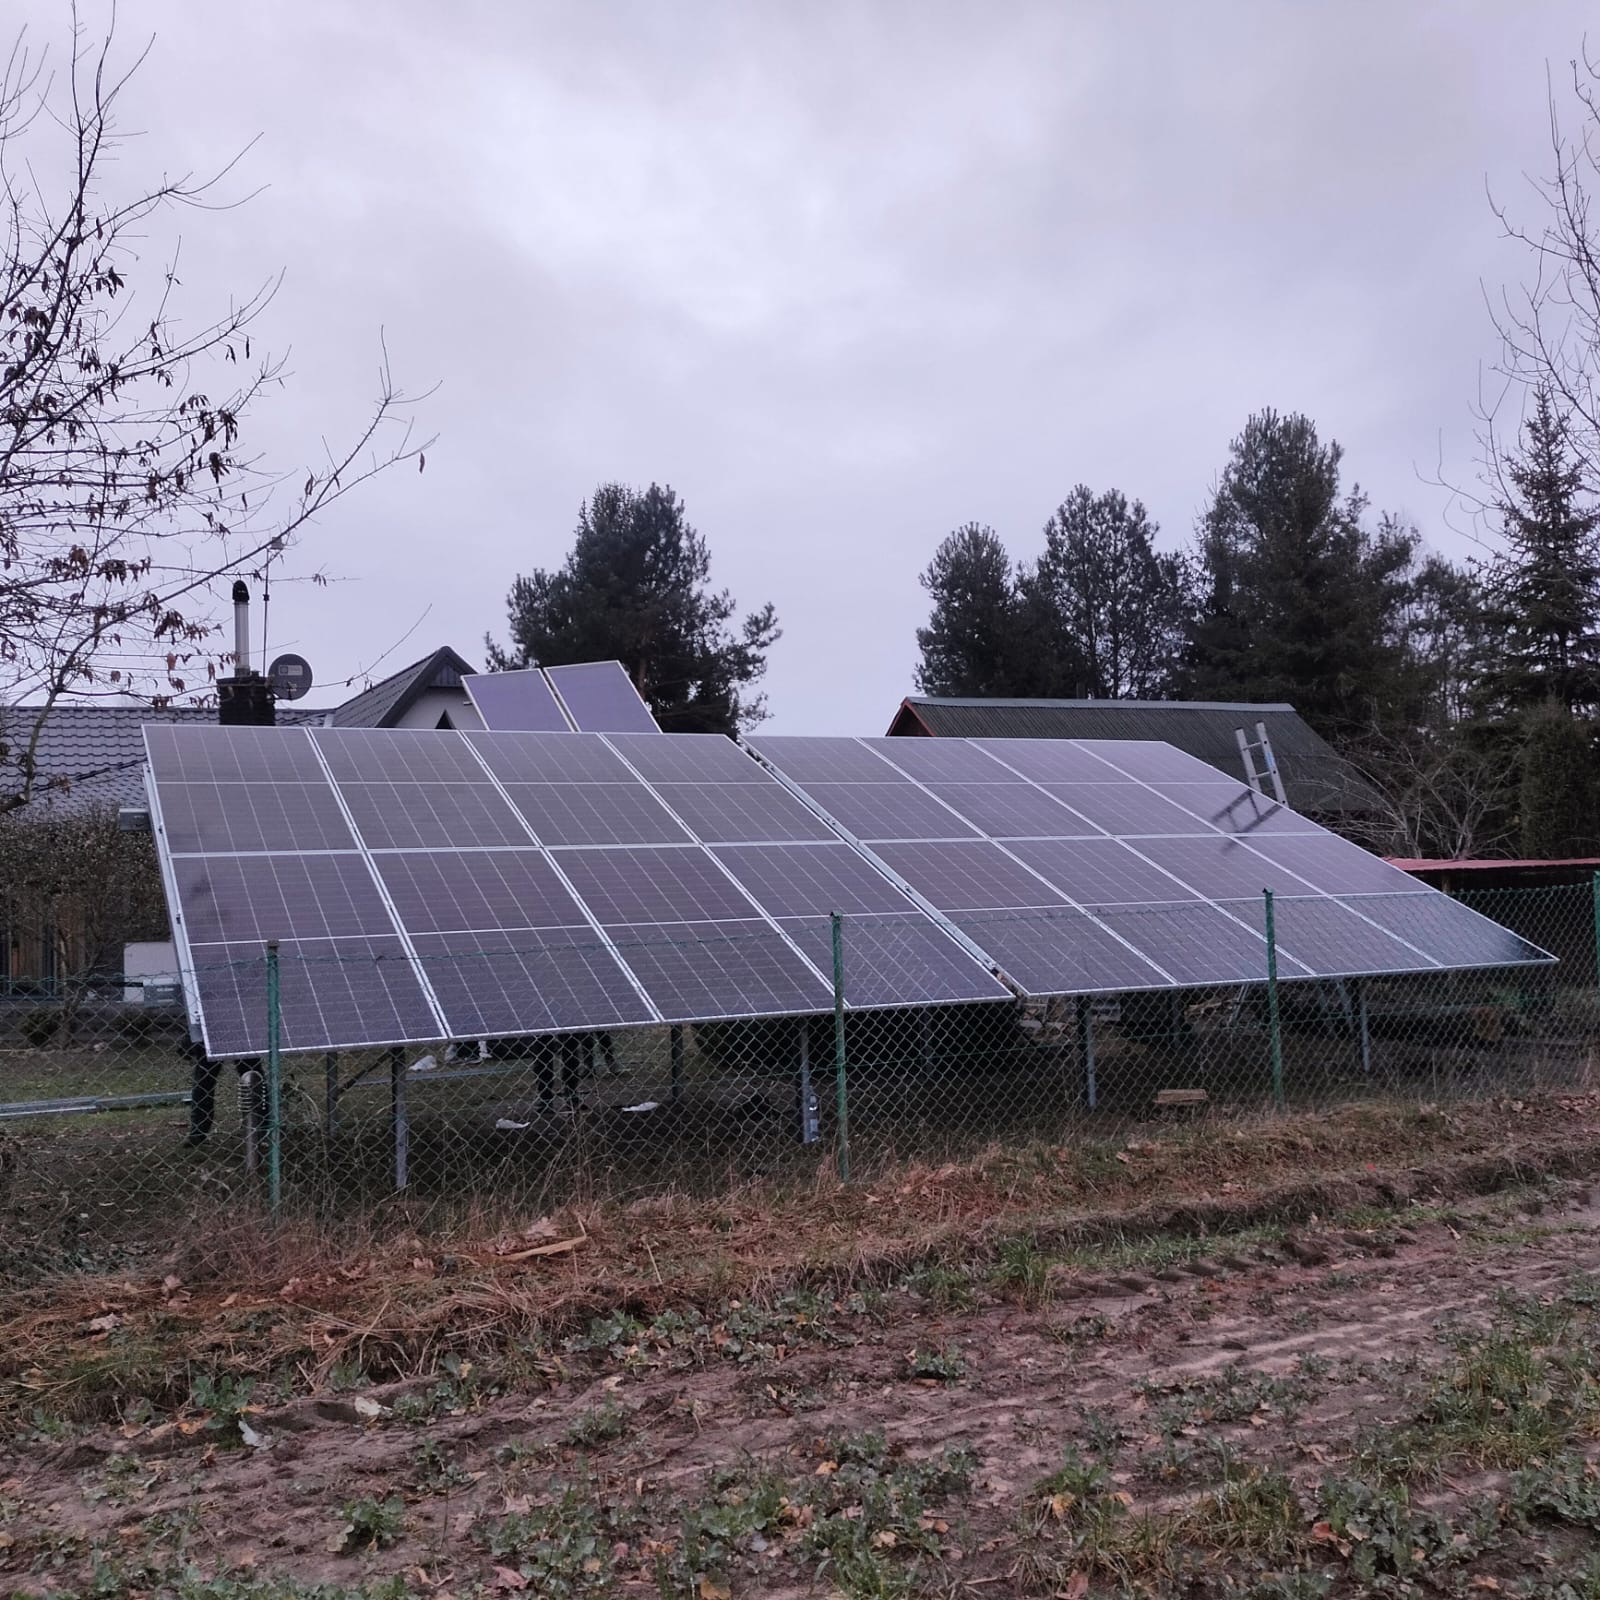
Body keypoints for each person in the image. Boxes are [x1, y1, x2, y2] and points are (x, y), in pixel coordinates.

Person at [183, 1040, 265, 1145]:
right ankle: (198, 1132)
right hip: (220, 1036)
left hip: (235, 1036)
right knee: (205, 1076)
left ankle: (261, 1126)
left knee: (252, 1073)